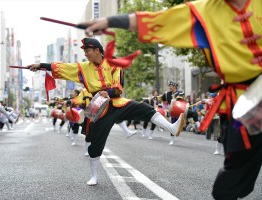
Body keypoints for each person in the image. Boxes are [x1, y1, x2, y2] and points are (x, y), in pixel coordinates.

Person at [81, 0, 262, 198]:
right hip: (244, 110)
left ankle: (170, 127)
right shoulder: (202, 12)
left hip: (248, 102)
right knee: (229, 186)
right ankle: (167, 128)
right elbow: (156, 21)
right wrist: (108, 21)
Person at [28, 38, 185, 186]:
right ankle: (94, 176)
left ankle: (171, 128)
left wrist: (108, 93)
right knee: (95, 144)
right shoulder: (82, 68)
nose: (86, 54)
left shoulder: (113, 64)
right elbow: (61, 67)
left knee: (145, 109)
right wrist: (40, 65)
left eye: (88, 50)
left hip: (116, 102)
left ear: (97, 50)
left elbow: (118, 86)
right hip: (98, 109)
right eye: (84, 51)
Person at [162, 81, 183, 145]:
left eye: (170, 86)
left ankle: (197, 123)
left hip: (180, 111)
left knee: (179, 125)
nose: (169, 87)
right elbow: (162, 99)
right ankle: (172, 140)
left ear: (174, 86)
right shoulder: (167, 94)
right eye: (169, 86)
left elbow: (182, 101)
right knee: (172, 126)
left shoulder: (180, 93)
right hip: (172, 112)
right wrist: (165, 107)